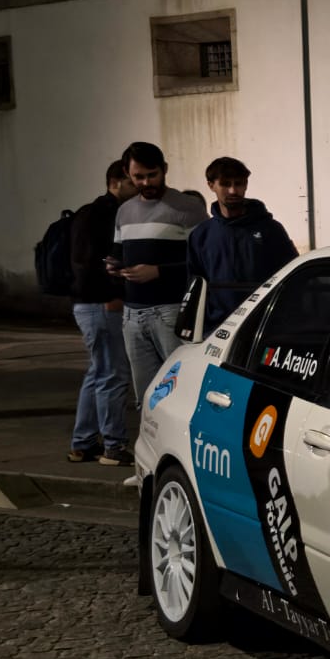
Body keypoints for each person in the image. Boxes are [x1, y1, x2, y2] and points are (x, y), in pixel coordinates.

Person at [113, 140, 207, 404]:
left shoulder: (187, 208)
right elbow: (118, 253)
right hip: (132, 315)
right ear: (127, 173)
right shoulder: (124, 211)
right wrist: (114, 267)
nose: (146, 182)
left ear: (164, 169)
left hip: (171, 311)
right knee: (146, 398)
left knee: (182, 391)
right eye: (138, 177)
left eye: (152, 175)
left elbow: (205, 261)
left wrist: (159, 272)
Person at [68, 159, 136, 465]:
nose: (139, 186)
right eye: (132, 181)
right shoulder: (106, 214)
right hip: (101, 304)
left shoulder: (89, 212)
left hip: (88, 303)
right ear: (115, 182)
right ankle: (113, 446)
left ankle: (82, 443)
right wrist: (111, 295)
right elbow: (89, 262)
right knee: (113, 374)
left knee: (99, 372)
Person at [186, 157, 297, 333]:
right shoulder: (201, 235)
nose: (233, 190)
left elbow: (292, 276)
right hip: (215, 330)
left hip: (263, 327)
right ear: (211, 185)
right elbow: (195, 286)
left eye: (238, 184)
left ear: (246, 185)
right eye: (225, 184)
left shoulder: (271, 229)